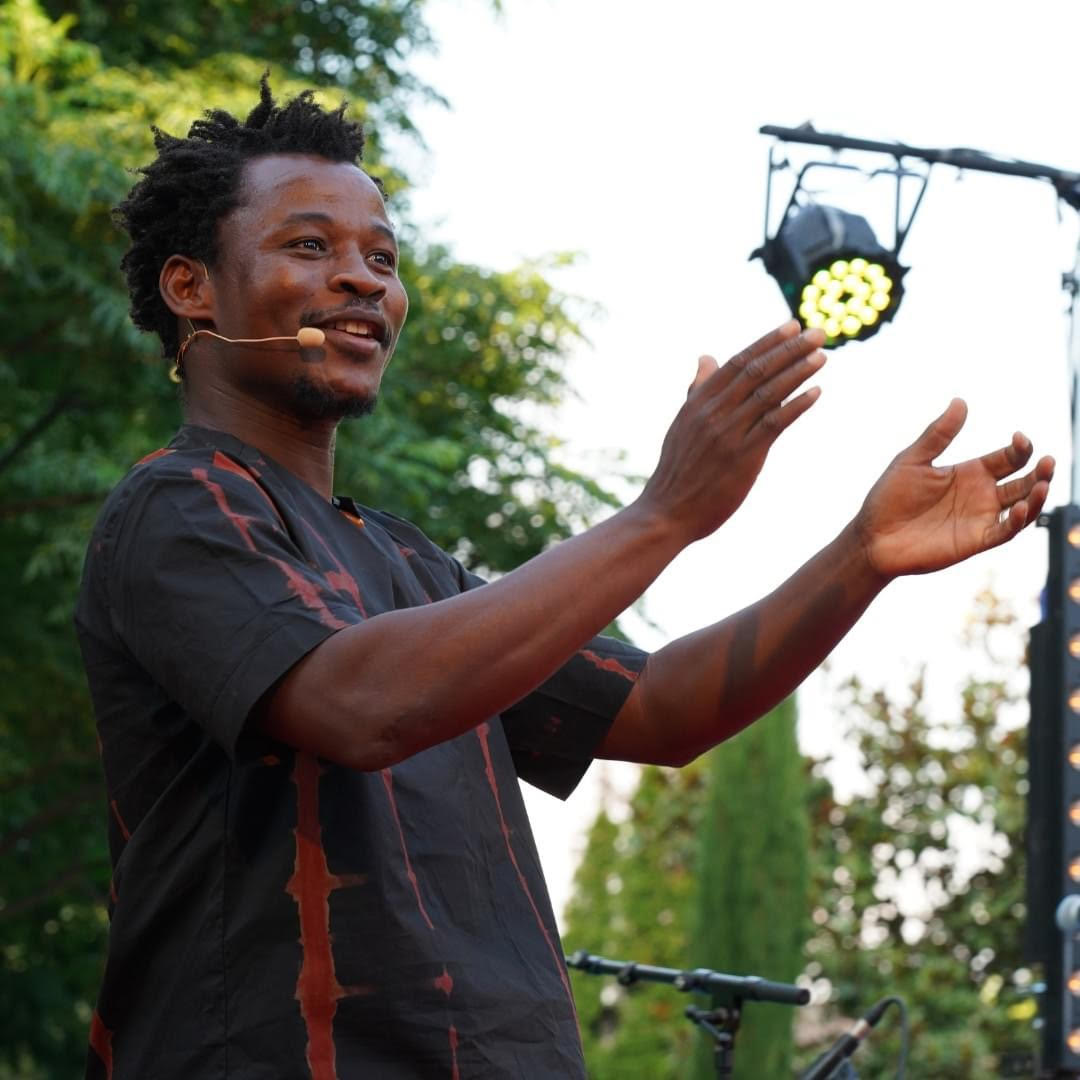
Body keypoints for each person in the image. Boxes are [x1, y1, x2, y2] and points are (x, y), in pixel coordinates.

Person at [75, 79, 1053, 1079]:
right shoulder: (175, 508)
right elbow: (363, 705)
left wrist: (859, 559)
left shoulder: (415, 567)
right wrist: (663, 515)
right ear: (192, 287)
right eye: (310, 246)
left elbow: (665, 708)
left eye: (382, 257)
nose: (365, 281)